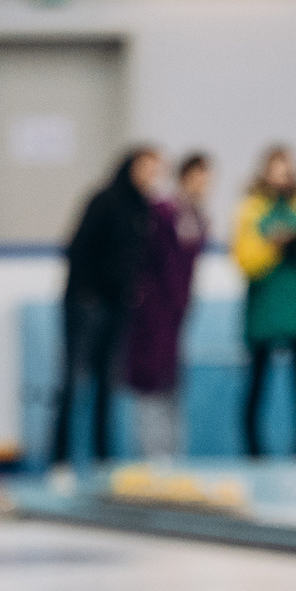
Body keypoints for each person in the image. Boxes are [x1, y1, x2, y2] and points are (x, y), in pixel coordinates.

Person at [50, 146, 162, 467]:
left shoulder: (145, 209)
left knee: (107, 384)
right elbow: (76, 248)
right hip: (87, 304)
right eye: (146, 168)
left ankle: (102, 459)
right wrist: (89, 292)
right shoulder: (104, 200)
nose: (151, 177)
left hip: (117, 307)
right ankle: (60, 460)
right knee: (73, 382)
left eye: (156, 171)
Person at [233, 145, 296, 458]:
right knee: (256, 385)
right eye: (277, 170)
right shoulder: (250, 209)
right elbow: (246, 260)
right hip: (263, 309)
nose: (282, 177)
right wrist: (274, 244)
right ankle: (253, 453)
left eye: (287, 170)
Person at [125, 152, 210, 458]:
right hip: (152, 316)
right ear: (184, 178)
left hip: (177, 316)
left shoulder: (198, 219)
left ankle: (171, 457)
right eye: (198, 178)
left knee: (172, 384)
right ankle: (152, 457)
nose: (204, 186)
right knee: (150, 385)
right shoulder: (162, 213)